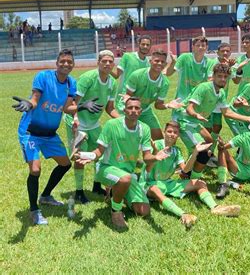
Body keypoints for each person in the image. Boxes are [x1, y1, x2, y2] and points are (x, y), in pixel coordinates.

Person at [12, 49, 98, 225]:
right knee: (35, 170)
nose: (66, 64)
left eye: (69, 62)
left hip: (50, 134)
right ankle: (34, 210)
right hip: (31, 132)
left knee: (65, 164)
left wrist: (82, 106)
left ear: (73, 65)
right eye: (63, 61)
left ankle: (45, 196)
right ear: (57, 63)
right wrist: (28, 104)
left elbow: (67, 108)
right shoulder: (43, 77)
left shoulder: (70, 83)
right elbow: (35, 99)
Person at [141, 121, 241, 229]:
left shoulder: (176, 151)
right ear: (164, 132)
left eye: (175, 132)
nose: (172, 134)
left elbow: (185, 170)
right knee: (155, 189)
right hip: (149, 183)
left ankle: (215, 207)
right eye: (169, 131)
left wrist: (195, 153)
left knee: (200, 183)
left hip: (168, 183)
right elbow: (146, 163)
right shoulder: (155, 145)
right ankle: (183, 214)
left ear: (178, 135)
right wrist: (155, 154)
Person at [77, 97, 156, 229]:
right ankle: (116, 211)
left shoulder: (145, 129)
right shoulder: (112, 125)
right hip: (106, 168)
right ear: (124, 110)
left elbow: (147, 157)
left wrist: (155, 157)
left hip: (127, 173)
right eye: (130, 107)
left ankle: (115, 193)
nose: (133, 110)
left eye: (137, 108)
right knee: (125, 179)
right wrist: (87, 156)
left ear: (140, 111)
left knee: (144, 211)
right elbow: (99, 151)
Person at [175, 63, 250, 181]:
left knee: (210, 141)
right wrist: (196, 115)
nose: (222, 79)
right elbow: (189, 108)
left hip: (196, 123)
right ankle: (188, 175)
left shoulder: (221, 93)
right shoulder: (204, 87)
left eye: (225, 77)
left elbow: (227, 112)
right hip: (185, 122)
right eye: (219, 76)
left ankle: (189, 166)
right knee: (203, 150)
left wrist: (248, 118)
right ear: (213, 76)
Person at [64, 50, 120, 203]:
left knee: (101, 152)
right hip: (77, 122)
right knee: (79, 157)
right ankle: (79, 191)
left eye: (110, 61)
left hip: (94, 124)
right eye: (104, 61)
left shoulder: (112, 83)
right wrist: (76, 118)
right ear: (98, 63)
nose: (107, 64)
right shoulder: (88, 78)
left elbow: (110, 108)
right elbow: (72, 103)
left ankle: (96, 185)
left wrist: (123, 119)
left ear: (113, 64)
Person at [123, 50, 183, 140]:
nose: (159, 63)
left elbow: (158, 105)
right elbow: (128, 94)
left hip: (145, 110)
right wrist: (127, 100)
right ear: (150, 61)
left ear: (165, 64)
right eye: (156, 61)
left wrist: (168, 105)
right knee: (128, 138)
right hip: (130, 109)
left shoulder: (165, 83)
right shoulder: (137, 75)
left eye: (162, 62)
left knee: (159, 140)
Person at [165, 36, 209, 118]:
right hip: (181, 101)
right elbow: (169, 73)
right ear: (192, 47)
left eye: (203, 45)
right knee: (175, 128)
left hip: (197, 102)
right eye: (198, 45)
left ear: (207, 47)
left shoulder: (208, 62)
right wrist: (173, 62)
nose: (200, 47)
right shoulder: (184, 58)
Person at [112, 36, 152, 113]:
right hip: (124, 97)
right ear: (138, 44)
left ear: (150, 46)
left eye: (147, 45)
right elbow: (116, 75)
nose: (145, 46)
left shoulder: (148, 63)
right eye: (143, 44)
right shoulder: (127, 57)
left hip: (138, 100)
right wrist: (108, 70)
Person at [206, 42, 236, 138]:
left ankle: (211, 149)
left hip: (221, 99)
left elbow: (236, 80)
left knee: (217, 127)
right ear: (218, 52)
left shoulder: (231, 64)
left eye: (227, 51)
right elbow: (209, 80)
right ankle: (204, 150)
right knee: (207, 128)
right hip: (209, 99)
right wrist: (225, 68)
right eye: (223, 51)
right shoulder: (212, 63)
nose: (225, 53)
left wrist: (234, 68)